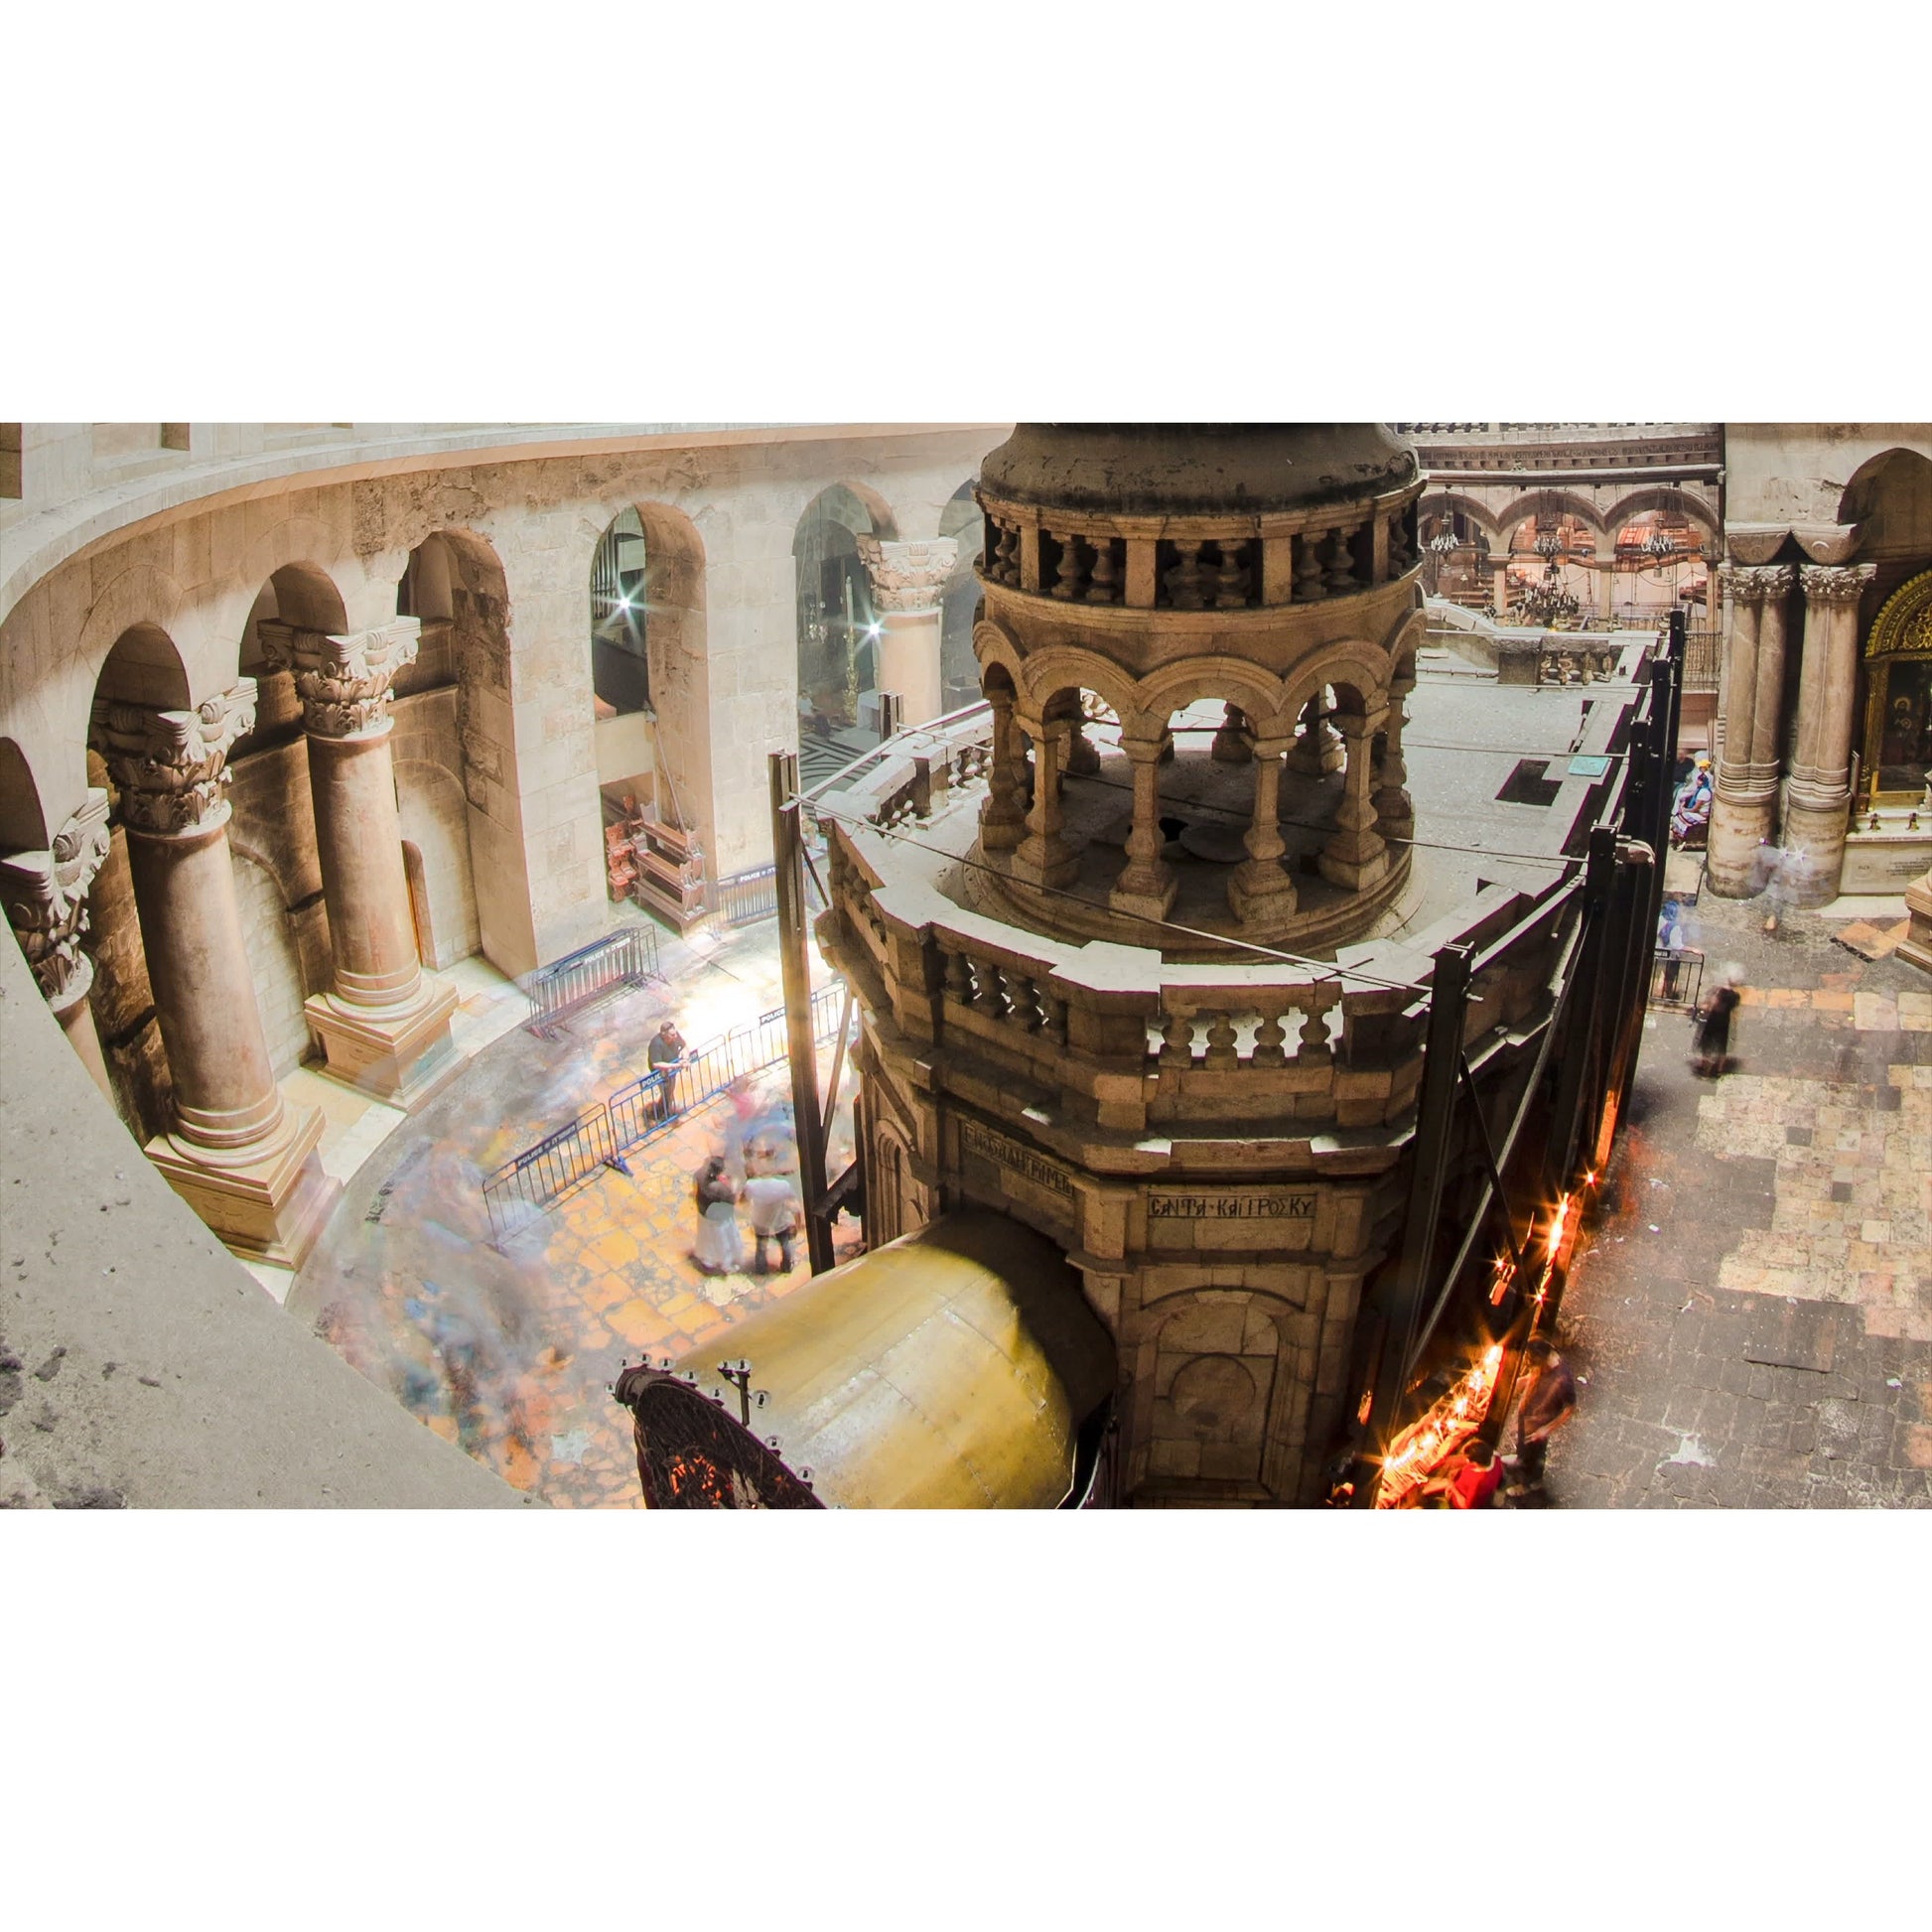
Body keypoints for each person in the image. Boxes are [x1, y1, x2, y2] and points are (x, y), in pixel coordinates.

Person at [1511, 1339, 1578, 1492]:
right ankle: (1520, 1460)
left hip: (1538, 1426)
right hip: (1528, 1418)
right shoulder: (1545, 1365)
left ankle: (1527, 1485)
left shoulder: (1562, 1381)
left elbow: (1570, 1408)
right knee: (1523, 1448)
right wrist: (1523, 1381)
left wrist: (1546, 1429)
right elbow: (1534, 1376)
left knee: (1533, 1455)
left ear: (1542, 1360)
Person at [691, 1156, 745, 1275]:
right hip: (719, 1218)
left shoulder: (699, 1174)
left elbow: (695, 1189)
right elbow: (733, 1199)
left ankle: (707, 1259)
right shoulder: (718, 1188)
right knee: (723, 1240)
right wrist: (735, 1183)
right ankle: (726, 1264)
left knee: (706, 1238)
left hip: (704, 1212)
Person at [742, 1171, 802, 1275]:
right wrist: (798, 1224)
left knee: (761, 1246)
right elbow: (796, 1208)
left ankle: (761, 1269)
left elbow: (742, 1199)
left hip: (760, 1222)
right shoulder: (783, 1186)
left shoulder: (751, 1185)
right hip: (780, 1221)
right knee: (785, 1244)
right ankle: (787, 1266)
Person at [1691, 981, 1740, 1078]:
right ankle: (1719, 1069)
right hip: (1724, 1022)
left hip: (1713, 1020)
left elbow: (1712, 1006)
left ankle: (1704, 1067)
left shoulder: (1720, 992)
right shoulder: (1734, 996)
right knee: (1722, 1046)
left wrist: (1702, 1008)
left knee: (1706, 1044)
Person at [648, 1019, 688, 1121]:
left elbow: (684, 1046)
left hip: (672, 1066)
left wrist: (685, 1058)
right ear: (664, 1035)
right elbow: (656, 1064)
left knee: (670, 1089)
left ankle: (664, 1107)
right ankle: (665, 1112)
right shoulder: (656, 1044)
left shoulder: (675, 1035)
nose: (675, 1036)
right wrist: (676, 1065)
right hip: (661, 1071)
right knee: (666, 1089)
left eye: (675, 1034)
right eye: (672, 1035)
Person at [1670, 756, 1714, 844]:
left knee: (1680, 816)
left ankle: (1683, 837)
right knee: (1677, 817)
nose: (1697, 782)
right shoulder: (1700, 790)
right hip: (1696, 811)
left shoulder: (1704, 793)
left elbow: (1695, 809)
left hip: (1700, 815)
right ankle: (1678, 835)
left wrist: (1684, 809)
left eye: (1699, 781)